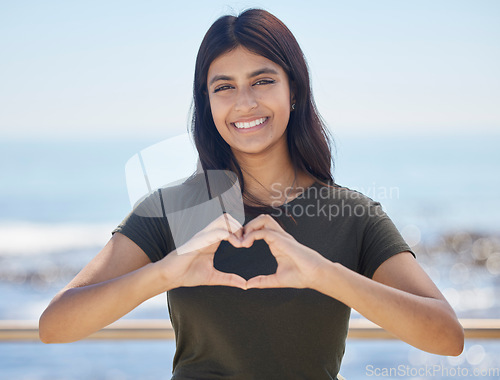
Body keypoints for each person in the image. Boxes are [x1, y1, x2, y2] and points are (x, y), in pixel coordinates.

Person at [39, 8, 464, 379]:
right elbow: (55, 326)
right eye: (223, 87)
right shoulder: (171, 209)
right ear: (206, 103)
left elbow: (447, 336)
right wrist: (165, 273)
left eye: (262, 80)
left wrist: (324, 274)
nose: (244, 103)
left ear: (293, 90)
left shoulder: (354, 215)